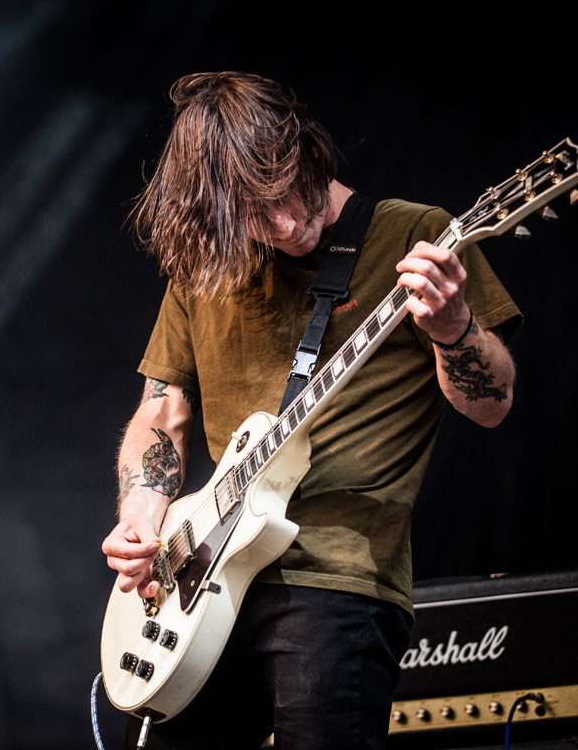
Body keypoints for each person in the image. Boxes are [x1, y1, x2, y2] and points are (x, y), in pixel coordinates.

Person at [101, 72, 519, 749]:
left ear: (306, 149)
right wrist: (141, 522)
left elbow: (493, 404)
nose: (290, 222)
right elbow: (161, 412)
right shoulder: (205, 269)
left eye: (292, 190)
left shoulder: (417, 234)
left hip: (338, 578)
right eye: (256, 213)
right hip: (198, 577)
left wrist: (452, 327)